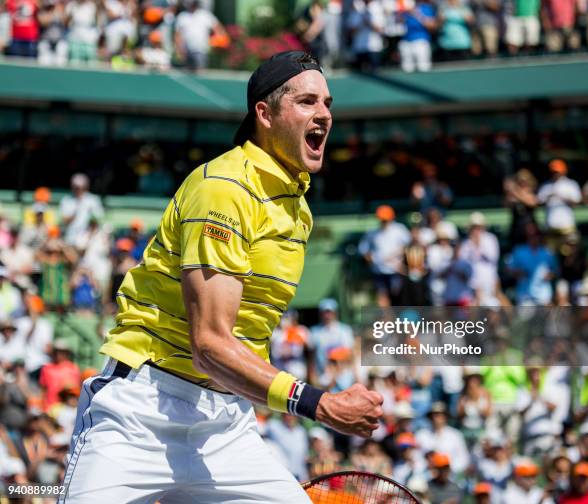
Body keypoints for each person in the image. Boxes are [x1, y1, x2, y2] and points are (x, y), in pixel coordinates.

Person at [60, 51, 383, 503]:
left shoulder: (297, 208)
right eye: (308, 102)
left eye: (328, 103)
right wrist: (321, 404)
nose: (325, 115)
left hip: (226, 420)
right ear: (265, 115)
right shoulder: (224, 189)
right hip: (141, 411)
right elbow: (210, 345)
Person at [358, 205, 411, 307]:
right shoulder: (372, 233)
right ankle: (387, 321)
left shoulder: (399, 230)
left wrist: (397, 257)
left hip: (396, 271)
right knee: (382, 297)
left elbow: (408, 247)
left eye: (386, 219)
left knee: (397, 297)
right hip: (378, 271)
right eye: (382, 219)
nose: (384, 221)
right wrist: (371, 260)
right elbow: (363, 250)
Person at [59, 173, 104, 246]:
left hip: (88, 238)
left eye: (80, 187)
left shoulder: (93, 200)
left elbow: (97, 219)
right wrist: (76, 210)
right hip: (70, 237)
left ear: (85, 186)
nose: (78, 189)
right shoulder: (66, 200)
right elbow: (65, 220)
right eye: (75, 187)